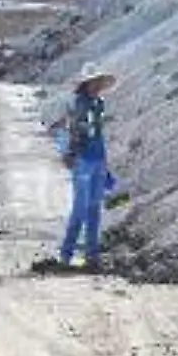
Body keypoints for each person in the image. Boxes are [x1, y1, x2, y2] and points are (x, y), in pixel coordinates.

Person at [55, 62, 116, 271]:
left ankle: (91, 255)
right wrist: (68, 152)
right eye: (95, 82)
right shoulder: (78, 104)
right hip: (82, 160)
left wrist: (105, 164)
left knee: (94, 209)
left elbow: (97, 133)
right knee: (81, 208)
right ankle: (66, 254)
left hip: (97, 158)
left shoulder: (99, 103)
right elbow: (71, 131)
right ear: (87, 84)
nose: (98, 85)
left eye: (99, 82)